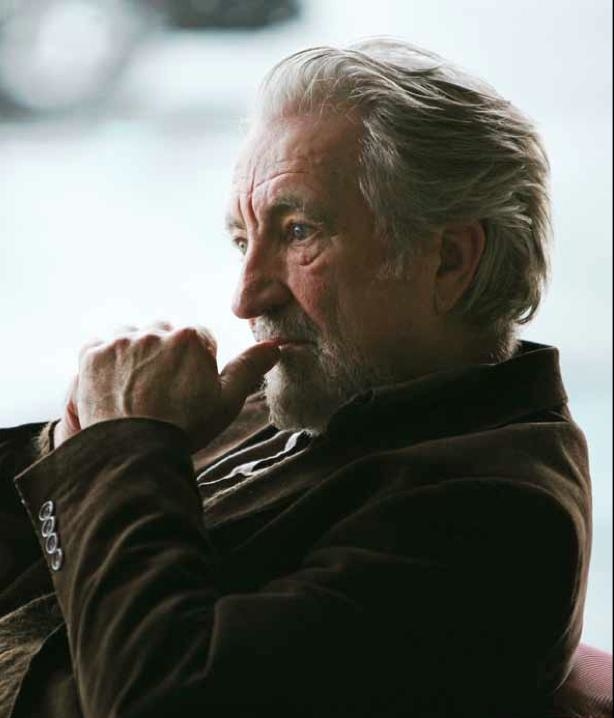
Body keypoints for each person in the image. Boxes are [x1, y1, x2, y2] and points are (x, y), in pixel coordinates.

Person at [0, 39, 592, 717]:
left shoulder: (498, 517)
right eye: (242, 240)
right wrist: (78, 438)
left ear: (449, 260)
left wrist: (123, 451)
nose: (245, 298)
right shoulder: (311, 391)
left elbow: (162, 701)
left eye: (299, 231)